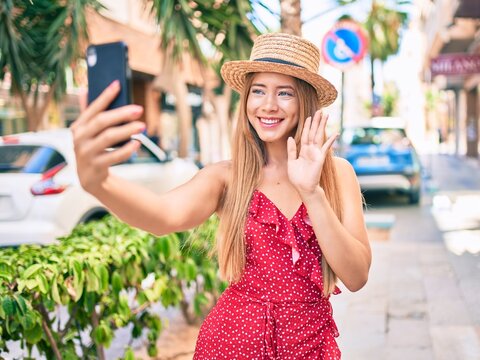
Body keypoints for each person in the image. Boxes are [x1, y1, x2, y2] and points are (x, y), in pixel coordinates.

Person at [71, 32, 371, 359]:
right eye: (258, 91)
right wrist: (99, 183)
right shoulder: (227, 177)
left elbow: (356, 276)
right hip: (231, 344)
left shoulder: (337, 174)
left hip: (309, 345)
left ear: (305, 102)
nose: (268, 104)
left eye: (285, 93)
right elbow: (161, 216)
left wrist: (312, 193)